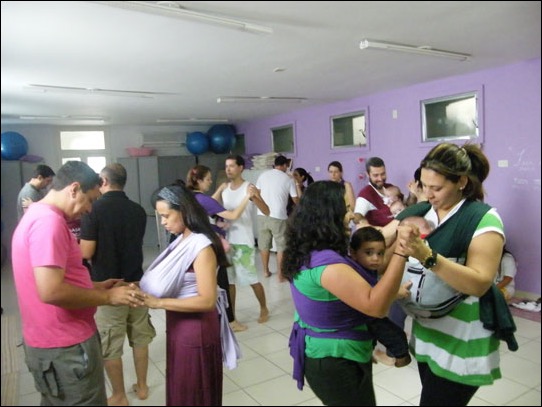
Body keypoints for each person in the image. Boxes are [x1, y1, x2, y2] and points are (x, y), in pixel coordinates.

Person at [11, 160, 144, 406]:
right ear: (73, 189)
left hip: (51, 341)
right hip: (65, 345)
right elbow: (50, 291)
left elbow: (58, 279)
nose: (90, 209)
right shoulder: (48, 223)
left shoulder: (39, 216)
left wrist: (97, 286)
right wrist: (108, 298)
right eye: (90, 200)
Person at [392, 142, 506, 406]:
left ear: (462, 182)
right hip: (428, 332)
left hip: (462, 340)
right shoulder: (425, 211)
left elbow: (479, 282)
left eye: (437, 188)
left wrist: (428, 257)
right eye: (423, 186)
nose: (428, 194)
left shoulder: (484, 219)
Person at [282, 180, 414, 405]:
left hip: (332, 353)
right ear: (330, 214)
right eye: (346, 209)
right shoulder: (328, 265)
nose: (351, 215)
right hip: (334, 360)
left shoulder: (310, 248)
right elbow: (376, 306)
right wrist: (402, 252)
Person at [139, 184, 240, 406]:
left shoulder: (201, 246)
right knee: (182, 386)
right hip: (179, 324)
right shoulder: (181, 241)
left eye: (166, 216)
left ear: (184, 210)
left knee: (195, 389)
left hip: (196, 330)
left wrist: (158, 302)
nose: (163, 222)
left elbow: (207, 299)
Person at [79, 163, 155, 406]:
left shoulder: (93, 210)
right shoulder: (138, 210)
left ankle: (120, 395)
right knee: (140, 337)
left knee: (111, 344)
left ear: (103, 180)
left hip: (108, 288)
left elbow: (87, 251)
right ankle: (142, 387)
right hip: (136, 283)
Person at [186, 164, 253, 332]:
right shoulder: (203, 199)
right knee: (222, 283)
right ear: (199, 180)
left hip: (194, 247)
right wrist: (248, 197)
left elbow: (209, 204)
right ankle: (230, 321)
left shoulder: (188, 197)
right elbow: (233, 215)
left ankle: (215, 319)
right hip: (210, 247)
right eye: (208, 179)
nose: (210, 182)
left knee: (204, 284)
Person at [214, 155, 271, 325]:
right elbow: (213, 207)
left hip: (244, 241)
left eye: (232, 166)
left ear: (240, 168)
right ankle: (232, 316)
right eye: (226, 166)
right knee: (230, 282)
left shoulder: (249, 187)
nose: (228, 169)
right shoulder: (224, 190)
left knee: (251, 279)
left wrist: (255, 197)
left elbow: (266, 210)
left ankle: (263, 308)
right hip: (227, 242)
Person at [349, 226, 412, 368]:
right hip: (362, 316)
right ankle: (401, 356)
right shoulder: (355, 272)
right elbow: (372, 296)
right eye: (369, 253)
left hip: (364, 317)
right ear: (353, 253)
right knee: (393, 334)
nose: (375, 259)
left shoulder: (366, 268)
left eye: (380, 253)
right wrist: (397, 293)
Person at [256, 155, 299, 279]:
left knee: (264, 244)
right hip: (278, 216)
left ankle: (265, 271)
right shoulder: (288, 179)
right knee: (281, 245)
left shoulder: (263, 176)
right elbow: (295, 199)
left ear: (275, 164)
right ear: (285, 165)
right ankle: (281, 274)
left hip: (262, 214)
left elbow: (256, 194)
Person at [353, 156, 396, 227]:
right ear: (368, 174)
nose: (380, 178)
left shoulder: (390, 187)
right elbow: (357, 217)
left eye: (383, 174)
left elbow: (406, 204)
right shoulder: (365, 194)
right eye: (376, 175)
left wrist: (413, 194)